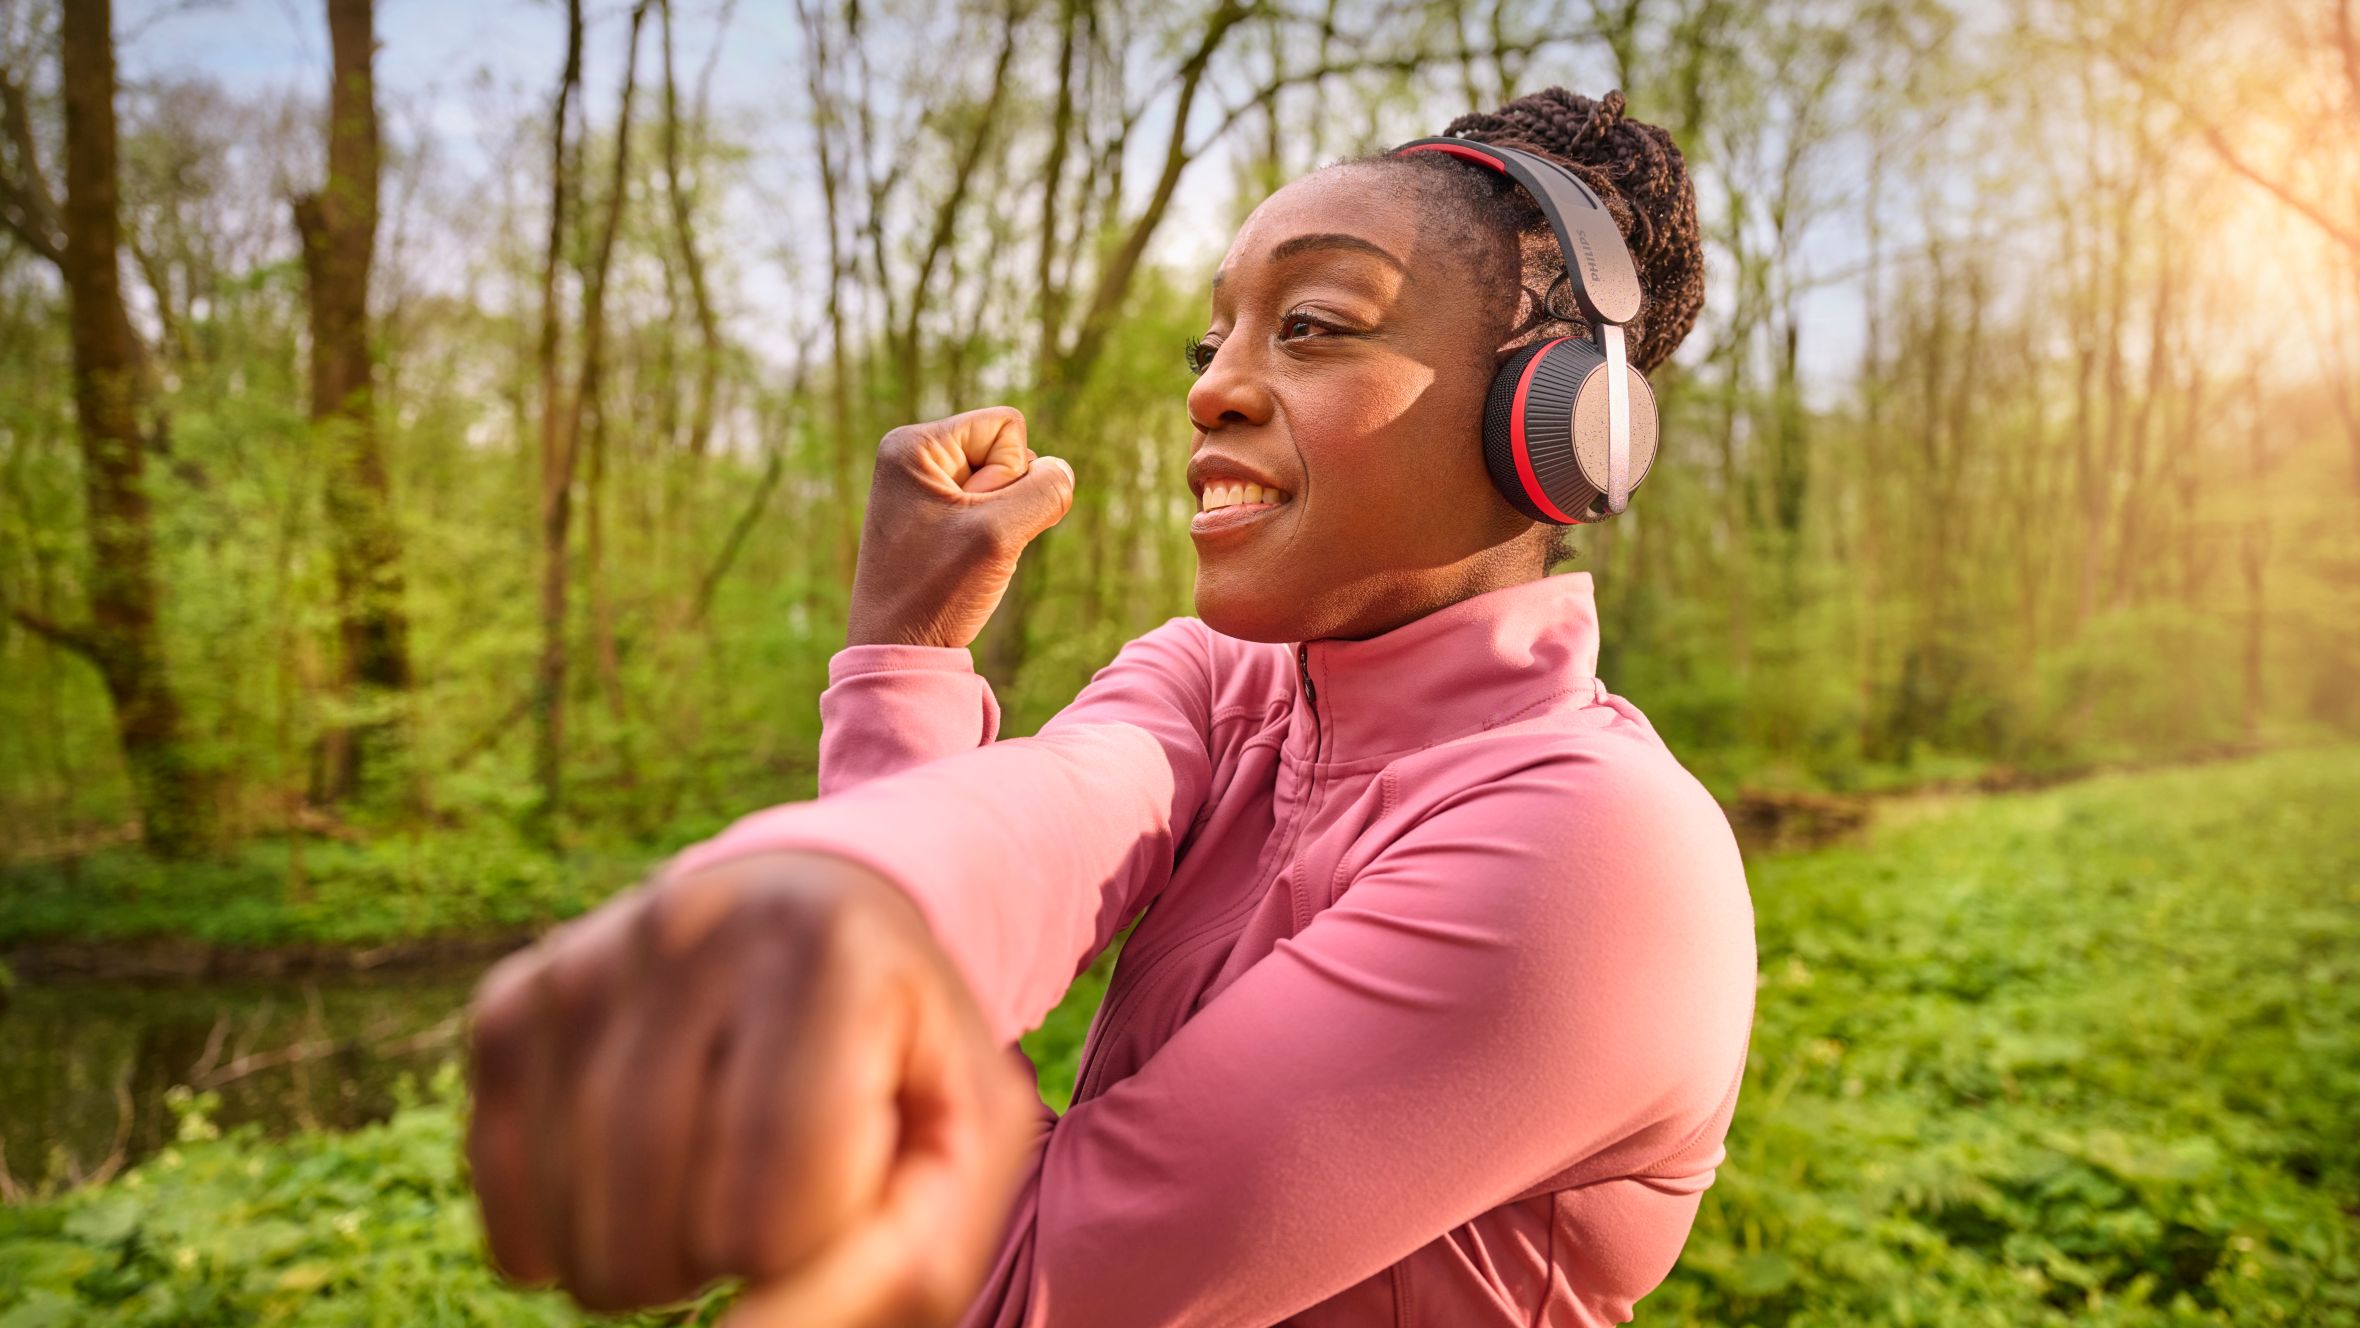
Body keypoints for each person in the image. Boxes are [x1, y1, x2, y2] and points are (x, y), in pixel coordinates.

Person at [464, 87, 1756, 1328]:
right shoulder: (1217, 675)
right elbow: (1057, 809)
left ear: (1558, 423)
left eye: (1311, 324)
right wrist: (863, 849)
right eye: (1214, 342)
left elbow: (1004, 1287)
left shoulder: (1598, 854)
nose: (1212, 389)